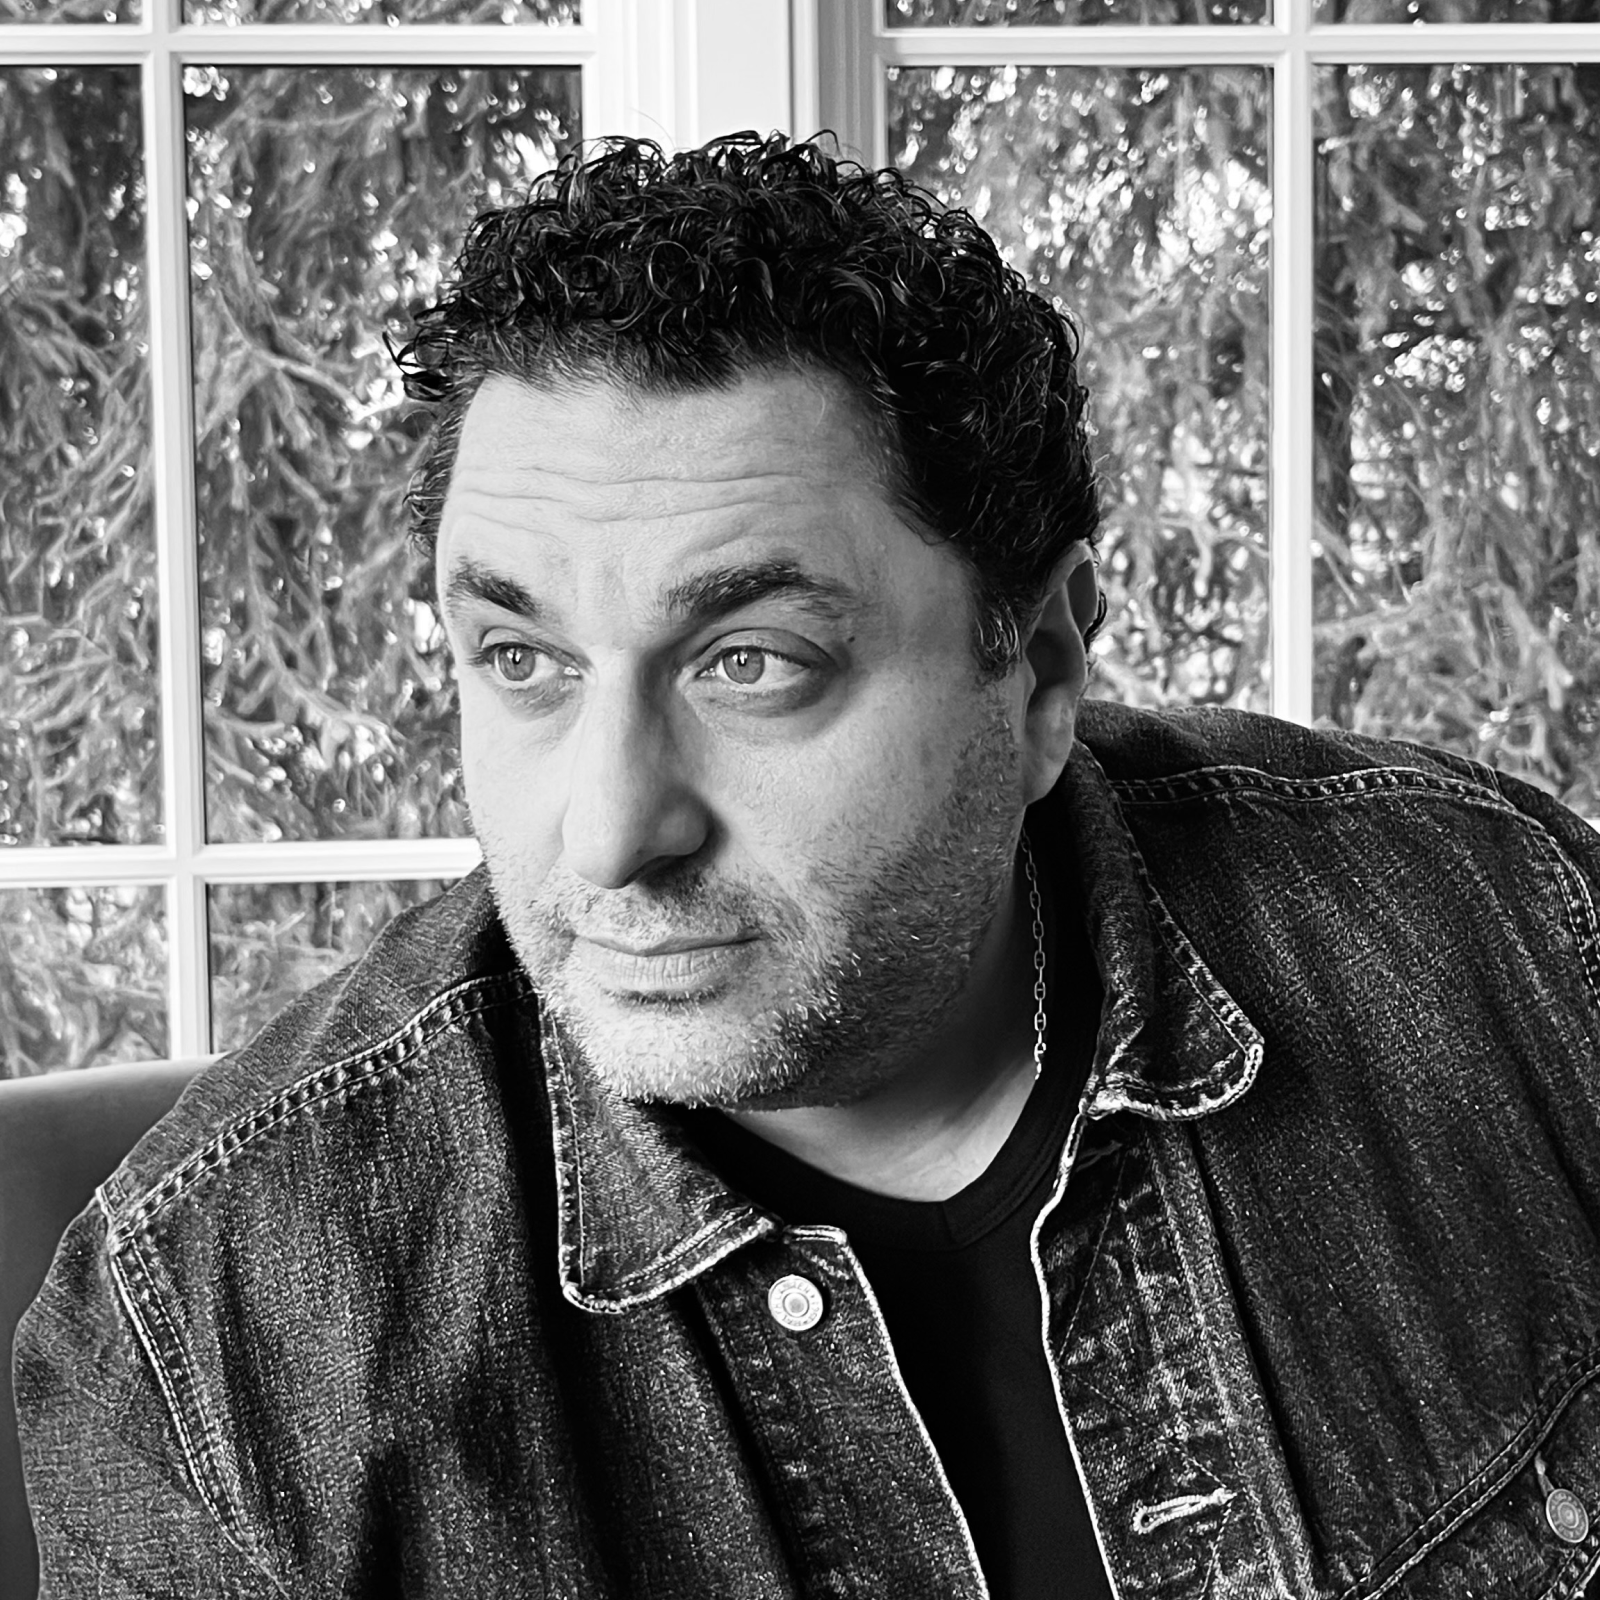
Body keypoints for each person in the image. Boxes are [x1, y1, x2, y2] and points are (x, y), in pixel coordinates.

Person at [16, 130, 1600, 1600]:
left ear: (1039, 670)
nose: (609, 829)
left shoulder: (1514, 944)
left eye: (752, 663)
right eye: (520, 657)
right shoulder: (204, 1331)